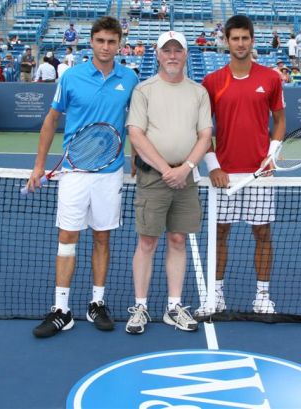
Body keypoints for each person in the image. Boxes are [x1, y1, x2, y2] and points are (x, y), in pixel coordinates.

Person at [27, 16, 139, 338]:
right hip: (74, 172)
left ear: (119, 44)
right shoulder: (71, 77)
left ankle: (97, 303)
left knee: (102, 238)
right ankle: (61, 309)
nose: (106, 47)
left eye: (111, 42)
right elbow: (50, 121)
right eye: (100, 41)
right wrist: (39, 165)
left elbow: (135, 123)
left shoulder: (129, 79)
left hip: (110, 173)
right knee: (67, 238)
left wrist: (134, 156)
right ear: (91, 42)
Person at [197, 14, 286, 316]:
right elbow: (202, 129)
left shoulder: (271, 78)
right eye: (234, 38)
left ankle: (262, 296)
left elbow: (280, 120)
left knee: (262, 234)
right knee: (220, 233)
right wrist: (213, 166)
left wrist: (272, 154)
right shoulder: (212, 82)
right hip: (224, 175)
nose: (240, 43)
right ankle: (217, 295)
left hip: (260, 174)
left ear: (252, 40)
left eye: (245, 38)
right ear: (226, 41)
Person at [125, 30, 212, 334]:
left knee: (177, 240)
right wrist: (166, 169)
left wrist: (186, 167)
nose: (172, 55)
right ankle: (140, 307)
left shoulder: (199, 92)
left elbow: (204, 135)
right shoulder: (144, 90)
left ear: (186, 54)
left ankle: (174, 307)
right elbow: (136, 133)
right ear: (158, 54)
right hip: (154, 178)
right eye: (167, 50)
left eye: (178, 50)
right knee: (147, 241)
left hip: (185, 178)